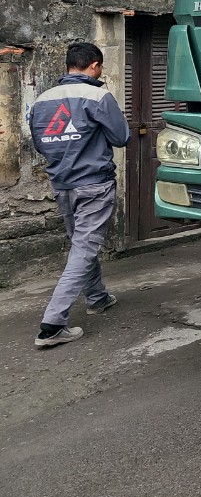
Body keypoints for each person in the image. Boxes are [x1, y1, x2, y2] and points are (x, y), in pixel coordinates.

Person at [27, 42, 130, 348]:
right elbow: (122, 137)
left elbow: (40, 141)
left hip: (62, 184)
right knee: (84, 248)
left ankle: (97, 297)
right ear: (94, 65)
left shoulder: (43, 99)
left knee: (81, 243)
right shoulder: (97, 95)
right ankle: (52, 325)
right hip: (93, 184)